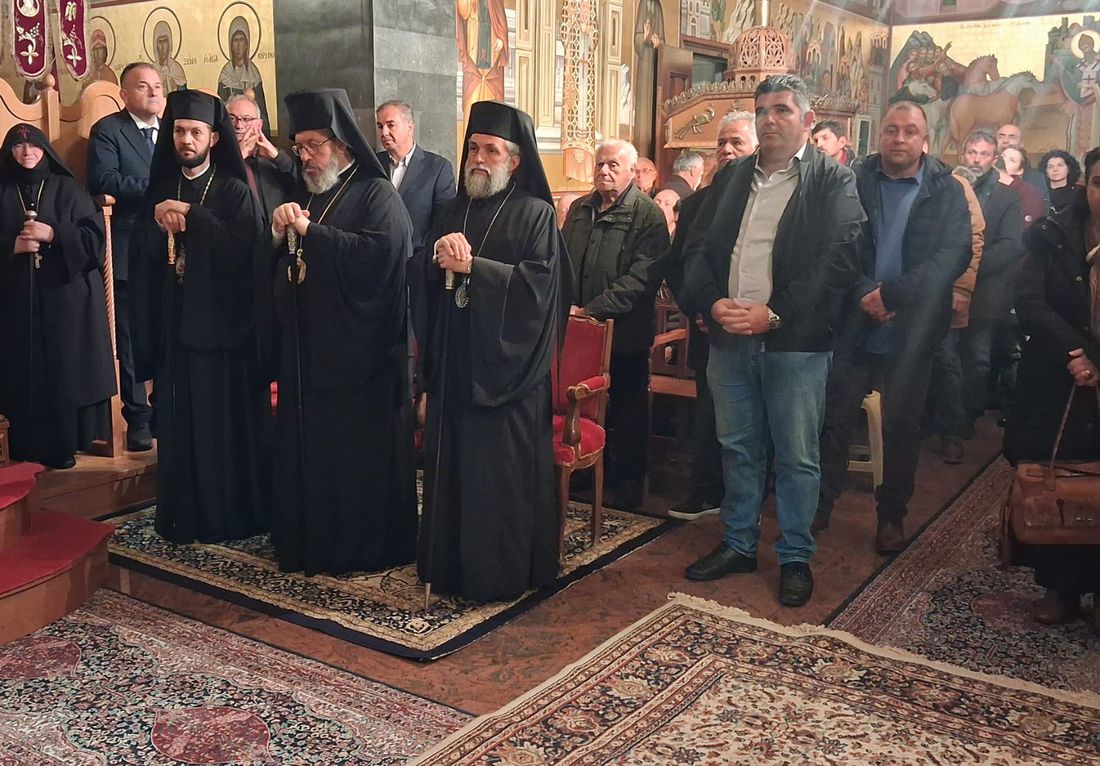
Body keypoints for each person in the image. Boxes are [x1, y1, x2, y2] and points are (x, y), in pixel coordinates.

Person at [682, 75, 865, 606]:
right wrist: (710, 301)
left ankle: (794, 556)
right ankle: (739, 542)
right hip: (730, 335)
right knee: (737, 447)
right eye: (762, 110)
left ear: (807, 120)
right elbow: (698, 247)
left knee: (796, 455)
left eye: (782, 110)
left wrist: (776, 313)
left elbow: (838, 262)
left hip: (796, 342)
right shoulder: (734, 175)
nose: (769, 119)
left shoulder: (832, 180)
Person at [419, 100, 572, 602]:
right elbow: (421, 269)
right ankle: (450, 568)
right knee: (455, 474)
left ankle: (500, 574)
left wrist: (475, 270)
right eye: (473, 149)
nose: (479, 160)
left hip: (508, 375)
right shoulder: (450, 210)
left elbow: (539, 290)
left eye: (491, 150)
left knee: (498, 481)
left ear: (515, 159)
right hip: (457, 364)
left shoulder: (535, 214)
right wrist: (436, 258)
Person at [270, 88, 417, 575]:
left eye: (313, 145)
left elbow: (382, 257)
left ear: (341, 144)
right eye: (299, 147)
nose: (305, 157)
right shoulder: (307, 193)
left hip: (362, 359)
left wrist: (313, 234)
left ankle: (359, 547)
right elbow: (282, 261)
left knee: (355, 458)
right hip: (309, 350)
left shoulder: (377, 194)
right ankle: (310, 539)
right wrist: (278, 233)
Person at [815, 101, 971, 554]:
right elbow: (836, 242)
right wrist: (866, 290)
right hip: (855, 319)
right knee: (834, 418)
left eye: (909, 130)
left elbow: (953, 255)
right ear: (879, 135)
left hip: (913, 326)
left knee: (902, 427)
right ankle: (819, 506)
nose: (899, 138)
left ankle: (891, 516)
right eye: (891, 129)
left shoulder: (946, 190)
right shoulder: (855, 180)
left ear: (925, 139)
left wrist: (894, 296)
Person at [129, 89, 270, 545]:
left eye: (195, 132)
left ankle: (228, 516)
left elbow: (247, 254)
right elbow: (142, 256)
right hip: (176, 328)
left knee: (220, 430)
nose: (186, 140)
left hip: (223, 336)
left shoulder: (233, 190)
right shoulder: (160, 189)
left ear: (213, 138)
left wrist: (195, 216)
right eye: (179, 131)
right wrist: (157, 226)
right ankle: (182, 516)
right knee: (180, 426)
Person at [1005, 146, 1100, 633]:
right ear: (1087, 187)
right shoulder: (1054, 234)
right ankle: (1059, 586)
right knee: (1059, 476)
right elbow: (1028, 299)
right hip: (1056, 374)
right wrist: (1074, 352)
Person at [0, 124, 115, 469]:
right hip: (14, 303)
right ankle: (19, 446)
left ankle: (64, 445)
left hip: (65, 301)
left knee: (64, 371)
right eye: (18, 147)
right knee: (19, 371)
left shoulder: (69, 189)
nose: (27, 153)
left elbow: (94, 241)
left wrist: (53, 234)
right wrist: (13, 245)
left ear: (45, 150)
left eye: (33, 146)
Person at [562, 139, 668, 512]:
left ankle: (628, 482)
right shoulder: (580, 209)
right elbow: (562, 262)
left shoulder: (647, 215)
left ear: (632, 172)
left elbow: (640, 280)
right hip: (578, 333)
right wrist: (567, 307)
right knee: (583, 404)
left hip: (624, 334)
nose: (604, 171)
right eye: (600, 164)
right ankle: (585, 469)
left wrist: (590, 310)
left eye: (613, 165)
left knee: (628, 410)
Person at [666, 110, 757, 521]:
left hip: (756, 326)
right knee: (711, 412)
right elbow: (678, 264)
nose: (727, 150)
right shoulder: (696, 203)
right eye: (721, 143)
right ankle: (706, 491)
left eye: (737, 142)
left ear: (757, 148)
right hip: (708, 327)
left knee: (753, 418)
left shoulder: (765, 201)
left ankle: (751, 498)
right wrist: (701, 308)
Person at [87, 62, 164, 452]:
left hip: (171, 246)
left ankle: (166, 410)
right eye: (143, 86)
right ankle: (138, 417)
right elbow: (104, 179)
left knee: (168, 329)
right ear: (124, 94)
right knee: (131, 336)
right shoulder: (109, 130)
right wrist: (159, 189)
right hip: (129, 245)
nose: (153, 92)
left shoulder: (174, 130)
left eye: (157, 86)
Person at [375, 99, 457, 356]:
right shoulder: (372, 165)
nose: (384, 132)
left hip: (417, 273)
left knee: (413, 350)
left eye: (391, 125)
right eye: (380, 126)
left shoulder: (437, 167)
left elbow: (443, 220)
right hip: (377, 271)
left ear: (410, 126)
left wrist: (421, 259)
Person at [959, 130, 1023, 438]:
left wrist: (968, 271)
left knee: (977, 359)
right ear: (963, 154)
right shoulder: (950, 186)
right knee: (942, 356)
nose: (977, 159)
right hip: (943, 286)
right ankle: (940, 418)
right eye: (972, 152)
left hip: (985, 291)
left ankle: (966, 419)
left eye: (984, 154)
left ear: (994, 159)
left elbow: (1010, 245)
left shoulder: (1006, 196)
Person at [225, 94, 295, 228]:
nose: (238, 125)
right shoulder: (215, 158)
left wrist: (276, 156)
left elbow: (299, 185)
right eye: (231, 118)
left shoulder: (272, 160)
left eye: (246, 119)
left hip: (274, 234)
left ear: (259, 125)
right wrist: (238, 157)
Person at [217, 17, 269, 127]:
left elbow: (263, 114)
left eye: (241, 40)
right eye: (235, 40)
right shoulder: (225, 75)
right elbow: (220, 114)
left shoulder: (254, 75)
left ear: (246, 44)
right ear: (230, 45)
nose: (238, 46)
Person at [995, 123, 1050, 205]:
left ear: (1021, 143)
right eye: (1001, 137)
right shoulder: (983, 171)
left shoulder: (1036, 178)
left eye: (1012, 137)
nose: (1005, 141)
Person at [997, 147, 1044, 226]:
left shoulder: (1029, 193)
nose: (1004, 161)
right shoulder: (984, 184)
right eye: (1002, 157)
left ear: (1020, 170)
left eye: (1012, 160)